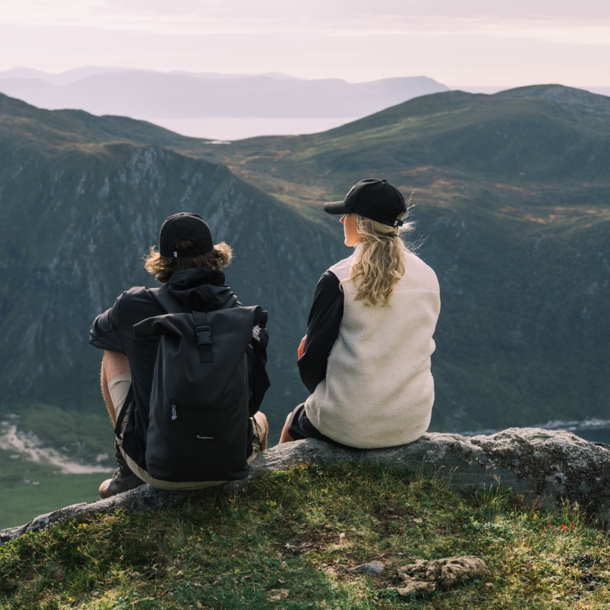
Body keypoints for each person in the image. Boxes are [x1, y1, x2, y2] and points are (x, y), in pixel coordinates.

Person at [90, 212, 270, 498]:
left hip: (158, 468)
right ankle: (235, 476)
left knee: (113, 348)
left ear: (161, 260)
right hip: (230, 465)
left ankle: (127, 466)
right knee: (260, 418)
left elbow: (98, 333)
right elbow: (253, 396)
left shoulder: (135, 304)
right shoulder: (238, 313)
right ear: (214, 255)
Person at [280, 178, 440, 449]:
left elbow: (313, 363)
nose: (342, 220)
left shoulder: (339, 279)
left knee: (292, 421)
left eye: (347, 214)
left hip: (348, 423)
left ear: (364, 221)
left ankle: (275, 480)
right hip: (411, 421)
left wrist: (309, 367)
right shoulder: (428, 275)